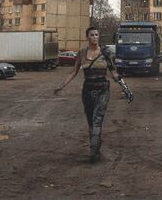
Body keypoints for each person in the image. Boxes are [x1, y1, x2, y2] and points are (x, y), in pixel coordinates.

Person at [54, 26, 133, 163]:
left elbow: (114, 72)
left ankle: (93, 152)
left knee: (97, 120)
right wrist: (61, 86)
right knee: (91, 122)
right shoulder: (82, 53)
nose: (95, 37)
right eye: (92, 35)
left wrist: (125, 87)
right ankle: (96, 146)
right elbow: (74, 72)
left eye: (96, 35)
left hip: (103, 89)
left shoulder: (105, 53)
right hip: (87, 91)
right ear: (87, 37)